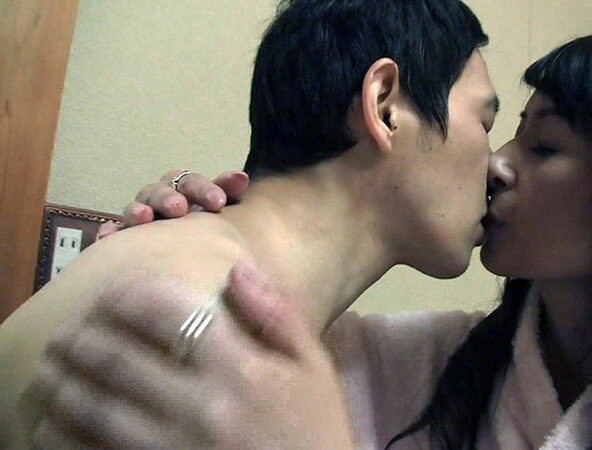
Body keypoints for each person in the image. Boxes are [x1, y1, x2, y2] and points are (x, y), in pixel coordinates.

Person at [49, 28, 592, 449]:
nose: (496, 164)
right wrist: (190, 241)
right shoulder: (423, 364)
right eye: (504, 130)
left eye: (543, 145)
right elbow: (242, 339)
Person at [0, 0, 497, 447]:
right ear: (385, 107)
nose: (496, 167)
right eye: (485, 123)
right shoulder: (206, 346)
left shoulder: (185, 265)